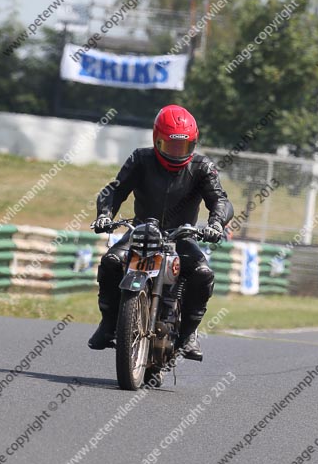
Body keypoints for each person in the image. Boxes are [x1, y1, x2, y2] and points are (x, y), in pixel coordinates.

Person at [89, 104, 233, 360]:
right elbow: (115, 190)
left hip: (182, 236)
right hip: (142, 230)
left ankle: (189, 334)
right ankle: (108, 323)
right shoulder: (140, 159)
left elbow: (220, 200)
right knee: (111, 261)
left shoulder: (203, 167)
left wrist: (216, 224)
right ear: (157, 140)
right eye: (171, 146)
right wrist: (104, 215)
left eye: (184, 147)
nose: (177, 153)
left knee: (203, 273)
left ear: (194, 144)